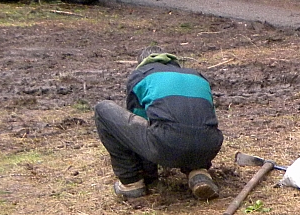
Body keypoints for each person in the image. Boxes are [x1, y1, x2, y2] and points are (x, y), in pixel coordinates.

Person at [94, 47, 224, 200]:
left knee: (103, 110)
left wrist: (149, 174)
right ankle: (199, 173)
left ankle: (131, 183)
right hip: (209, 147)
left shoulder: (140, 75)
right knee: (191, 124)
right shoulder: (197, 76)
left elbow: (138, 124)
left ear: (142, 62)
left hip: (167, 143)